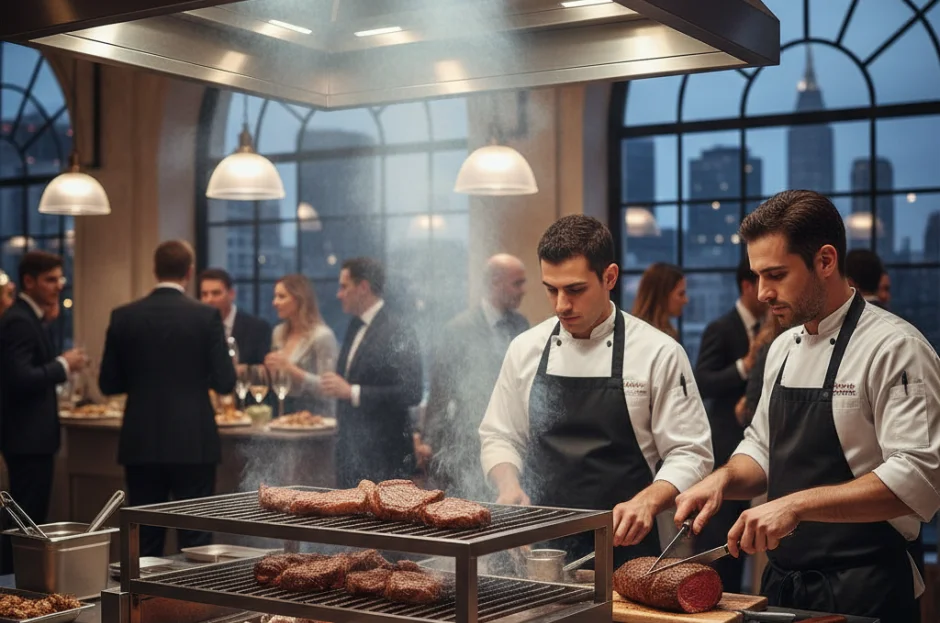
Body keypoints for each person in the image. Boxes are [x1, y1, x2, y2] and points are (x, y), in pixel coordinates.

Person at [675, 190, 940, 623]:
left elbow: (918, 478)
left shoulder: (896, 348)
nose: (763, 293)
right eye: (758, 276)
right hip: (783, 585)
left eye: (776, 274)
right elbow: (761, 447)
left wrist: (795, 505)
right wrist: (722, 480)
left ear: (826, 261)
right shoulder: (781, 348)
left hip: (866, 589)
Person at [479, 215, 713, 568]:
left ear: (610, 277)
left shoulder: (658, 353)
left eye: (575, 290)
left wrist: (649, 500)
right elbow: (500, 434)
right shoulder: (525, 349)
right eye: (551, 289)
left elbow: (691, 452)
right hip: (540, 547)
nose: (561, 305)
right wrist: (508, 484)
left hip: (626, 546)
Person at [99, 240, 236, 557]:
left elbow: (108, 383)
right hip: (193, 440)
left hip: (141, 440)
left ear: (155, 270)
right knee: (197, 540)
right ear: (189, 272)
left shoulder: (123, 316)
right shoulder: (206, 316)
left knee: (145, 540)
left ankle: (144, 592)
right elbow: (225, 382)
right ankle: (194, 592)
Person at [0, 251, 85, 573]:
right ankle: (13, 584)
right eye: (50, 279)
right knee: (25, 521)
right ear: (28, 281)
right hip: (27, 439)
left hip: (31, 438)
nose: (59, 285)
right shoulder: (20, 320)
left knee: (29, 519)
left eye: (60, 278)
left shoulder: (29, 317)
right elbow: (20, 378)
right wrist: (64, 364)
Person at [424, 253, 529, 499]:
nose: (523, 290)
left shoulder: (521, 325)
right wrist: (429, 440)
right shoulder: (457, 330)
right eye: (517, 283)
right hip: (467, 443)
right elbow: (440, 391)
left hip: (513, 443)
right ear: (495, 282)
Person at [693, 261, 767, 593]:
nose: (767, 294)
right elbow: (703, 381)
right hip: (726, 447)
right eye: (761, 282)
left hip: (760, 450)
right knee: (719, 537)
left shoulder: (774, 328)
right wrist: (744, 366)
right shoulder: (721, 328)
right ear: (747, 286)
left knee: (746, 539)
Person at [321, 257, 423, 487]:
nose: (339, 294)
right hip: (350, 454)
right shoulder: (354, 325)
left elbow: (412, 391)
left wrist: (353, 392)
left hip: (385, 456)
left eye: (344, 286)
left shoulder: (399, 329)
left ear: (363, 287)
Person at [264, 274, 338, 417]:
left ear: (299, 300)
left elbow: (328, 388)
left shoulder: (322, 336)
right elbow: (279, 383)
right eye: (275, 296)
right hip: (282, 411)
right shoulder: (278, 332)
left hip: (315, 416)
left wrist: (291, 369)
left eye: (281, 296)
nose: (274, 302)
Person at [198, 268, 271, 365]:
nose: (209, 300)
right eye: (204, 294)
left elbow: (264, 369)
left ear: (231, 294)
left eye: (216, 293)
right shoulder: (196, 328)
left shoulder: (258, 328)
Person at [631, 263, 687, 340]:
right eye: (681, 294)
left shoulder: (669, 332)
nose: (686, 300)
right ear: (662, 295)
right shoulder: (643, 336)